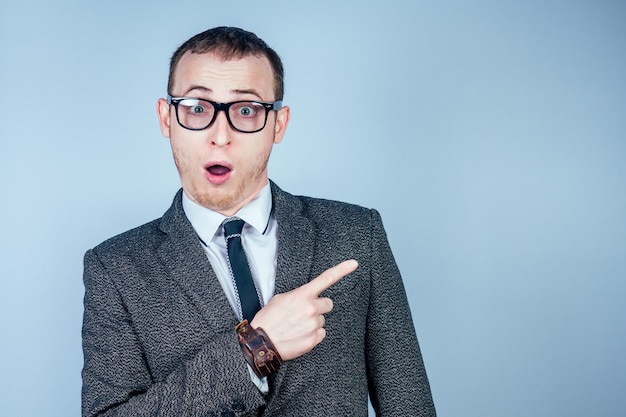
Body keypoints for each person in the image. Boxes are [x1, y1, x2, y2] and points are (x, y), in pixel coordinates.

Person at [81, 26, 436, 417]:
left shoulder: (356, 234)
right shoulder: (115, 267)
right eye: (197, 108)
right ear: (167, 119)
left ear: (278, 124)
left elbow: (410, 404)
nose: (220, 136)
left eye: (245, 111)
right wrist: (256, 348)